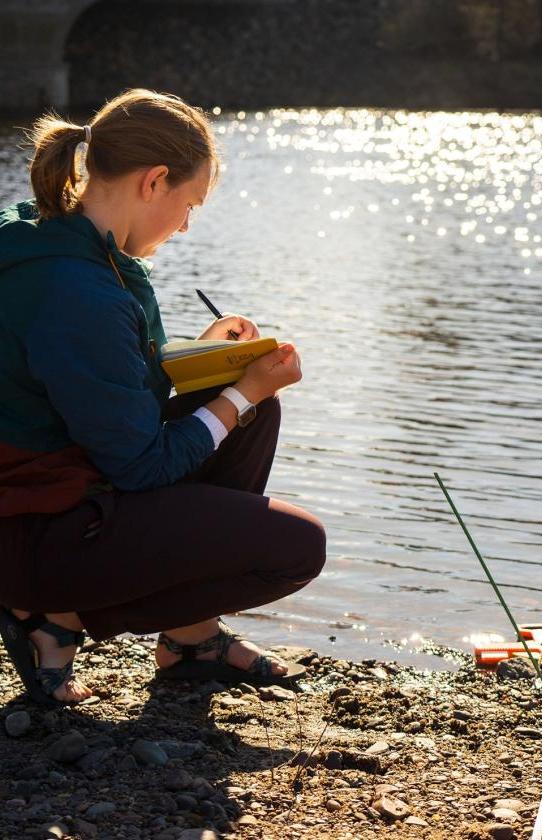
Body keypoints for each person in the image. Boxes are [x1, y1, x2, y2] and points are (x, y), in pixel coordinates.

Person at [0, 89, 326, 706]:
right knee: (297, 547)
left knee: (251, 411)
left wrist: (204, 363)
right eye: (189, 205)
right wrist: (243, 389)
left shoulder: (46, 236)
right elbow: (141, 464)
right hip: (32, 531)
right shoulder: (78, 291)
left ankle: (190, 640)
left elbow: (76, 384)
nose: (185, 226)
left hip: (48, 489)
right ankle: (52, 617)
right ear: (154, 181)